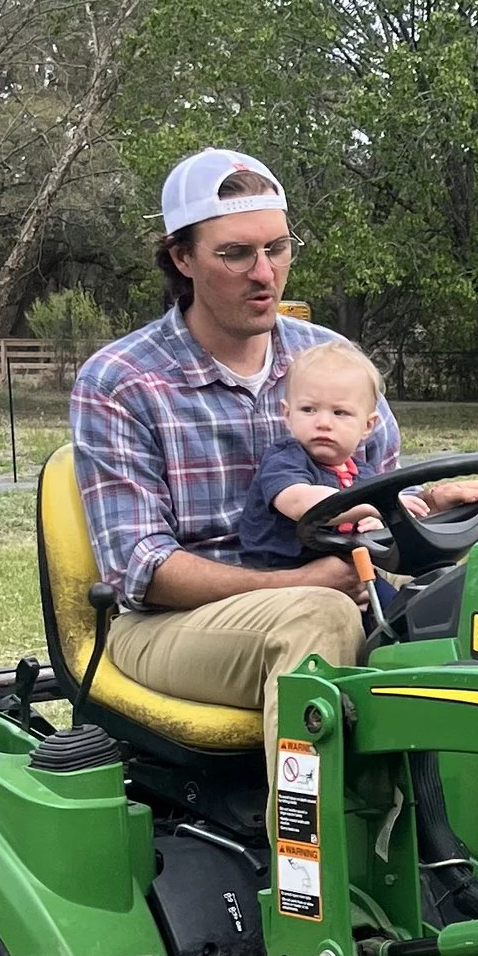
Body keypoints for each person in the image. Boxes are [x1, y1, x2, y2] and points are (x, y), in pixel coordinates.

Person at [71, 149, 397, 714]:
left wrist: (432, 500)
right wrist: (302, 586)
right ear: (182, 258)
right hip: (171, 626)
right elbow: (141, 569)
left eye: (276, 248)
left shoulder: (329, 358)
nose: (265, 273)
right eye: (236, 254)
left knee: (476, 605)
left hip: (332, 589)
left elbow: (376, 491)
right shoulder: (121, 381)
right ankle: (318, 807)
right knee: (317, 619)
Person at [233, 336, 402, 615]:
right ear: (287, 414)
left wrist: (375, 520)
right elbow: (304, 504)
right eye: (308, 409)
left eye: (340, 412)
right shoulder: (285, 459)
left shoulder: (363, 473)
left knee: (406, 610)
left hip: (344, 574)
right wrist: (377, 506)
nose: (323, 422)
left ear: (368, 426)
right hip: (280, 581)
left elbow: (373, 523)